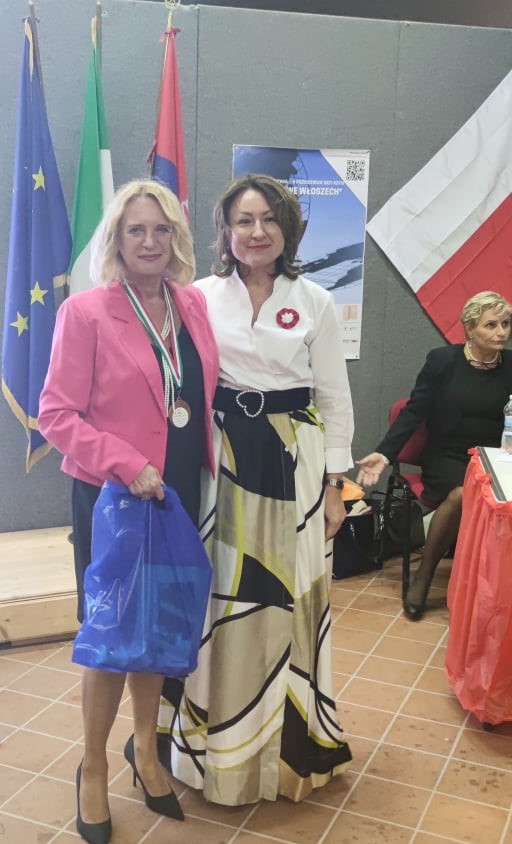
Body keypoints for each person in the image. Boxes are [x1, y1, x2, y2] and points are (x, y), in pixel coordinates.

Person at [159, 173, 354, 806]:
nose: (257, 231)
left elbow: (335, 399)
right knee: (223, 599)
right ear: (225, 231)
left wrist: (336, 486)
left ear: (288, 229)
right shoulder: (197, 297)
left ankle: (290, 752)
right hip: (221, 459)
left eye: (269, 219)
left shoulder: (315, 301)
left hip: (294, 460)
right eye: (244, 220)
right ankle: (215, 750)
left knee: (292, 596)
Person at [38, 179, 219, 844]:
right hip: (115, 497)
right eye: (136, 230)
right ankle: (91, 765)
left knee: (160, 628)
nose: (149, 242)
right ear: (115, 239)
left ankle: (144, 749)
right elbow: (55, 414)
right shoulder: (85, 312)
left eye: (161, 229)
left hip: (178, 492)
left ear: (176, 237)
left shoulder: (193, 304)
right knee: (112, 635)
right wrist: (124, 462)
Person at [356, 291, 512, 621]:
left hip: (496, 457)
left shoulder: (510, 365)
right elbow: (413, 412)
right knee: (462, 494)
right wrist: (385, 454)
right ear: (470, 328)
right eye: (491, 325)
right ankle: (424, 576)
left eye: (506, 324)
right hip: (448, 456)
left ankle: (497, 588)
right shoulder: (443, 361)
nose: (502, 332)